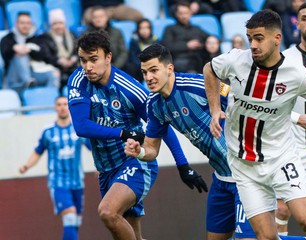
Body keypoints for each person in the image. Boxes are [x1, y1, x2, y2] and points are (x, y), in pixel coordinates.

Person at [67, 31, 207, 240]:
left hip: (135, 162)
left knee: (107, 212)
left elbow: (162, 126)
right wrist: (122, 133)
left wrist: (183, 165)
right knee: (129, 234)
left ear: (108, 57)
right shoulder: (78, 80)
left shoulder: (130, 89)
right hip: (106, 169)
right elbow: (81, 126)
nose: (88, 67)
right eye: (83, 60)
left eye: (94, 59)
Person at [203, 9, 306, 240]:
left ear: (277, 39)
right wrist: (215, 108)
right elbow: (210, 69)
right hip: (244, 167)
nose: (253, 45)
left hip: (281, 158)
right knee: (266, 237)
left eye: (259, 38)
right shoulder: (236, 60)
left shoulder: (296, 74)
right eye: (250, 38)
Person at [123, 43, 257, 240]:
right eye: (144, 72)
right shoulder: (155, 105)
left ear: (169, 69)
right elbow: (151, 147)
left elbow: (238, 93)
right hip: (221, 178)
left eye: (153, 70)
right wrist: (140, 152)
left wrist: (221, 111)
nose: (148, 77)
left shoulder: (197, 84)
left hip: (246, 174)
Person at [19, 96, 91, 240]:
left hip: (77, 182)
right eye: (59, 104)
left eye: (65, 104)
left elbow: (92, 148)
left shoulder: (78, 130)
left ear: (69, 107)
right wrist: (27, 165)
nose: (63, 107)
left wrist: (100, 165)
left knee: (75, 221)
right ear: (55, 108)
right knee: (69, 215)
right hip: (58, 182)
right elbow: (38, 151)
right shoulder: (48, 132)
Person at [275, 2, 306, 236]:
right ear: (298, 23)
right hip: (294, 146)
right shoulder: (286, 59)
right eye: (305, 18)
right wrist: (297, 118)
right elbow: (271, 100)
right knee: (282, 208)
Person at [0, 11, 56, 98]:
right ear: (16, 24)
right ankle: (27, 81)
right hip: (13, 76)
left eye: (27, 23)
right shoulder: (8, 38)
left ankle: (51, 99)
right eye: (22, 23)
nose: (25, 26)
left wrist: (29, 50)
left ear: (31, 24)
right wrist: (14, 48)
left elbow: (44, 56)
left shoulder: (37, 38)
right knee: (20, 55)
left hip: (34, 72)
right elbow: (5, 56)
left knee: (51, 74)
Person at [29, 8, 78, 94]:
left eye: (60, 23)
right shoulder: (44, 38)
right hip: (55, 67)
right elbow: (46, 56)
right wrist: (59, 61)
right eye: (55, 24)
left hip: (72, 66)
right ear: (51, 25)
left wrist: (73, 59)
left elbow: (78, 50)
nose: (58, 26)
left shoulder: (72, 35)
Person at [161, 1, 208, 73]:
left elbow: (210, 38)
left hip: (199, 58)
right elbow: (167, 46)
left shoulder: (197, 29)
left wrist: (205, 43)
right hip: (180, 60)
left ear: (190, 13)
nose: (184, 16)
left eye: (186, 13)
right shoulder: (170, 29)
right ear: (176, 14)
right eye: (181, 13)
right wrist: (187, 45)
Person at [86, 5, 128, 71]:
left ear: (106, 17)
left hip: (115, 67)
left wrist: (114, 67)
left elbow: (123, 53)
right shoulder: (86, 34)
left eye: (101, 16)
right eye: (95, 17)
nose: (98, 19)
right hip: (94, 69)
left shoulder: (117, 32)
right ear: (92, 19)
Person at [125, 18, 158, 82]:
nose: (144, 31)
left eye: (147, 28)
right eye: (142, 28)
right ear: (138, 29)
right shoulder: (134, 41)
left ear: (150, 29)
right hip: (138, 67)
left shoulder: (156, 40)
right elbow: (133, 57)